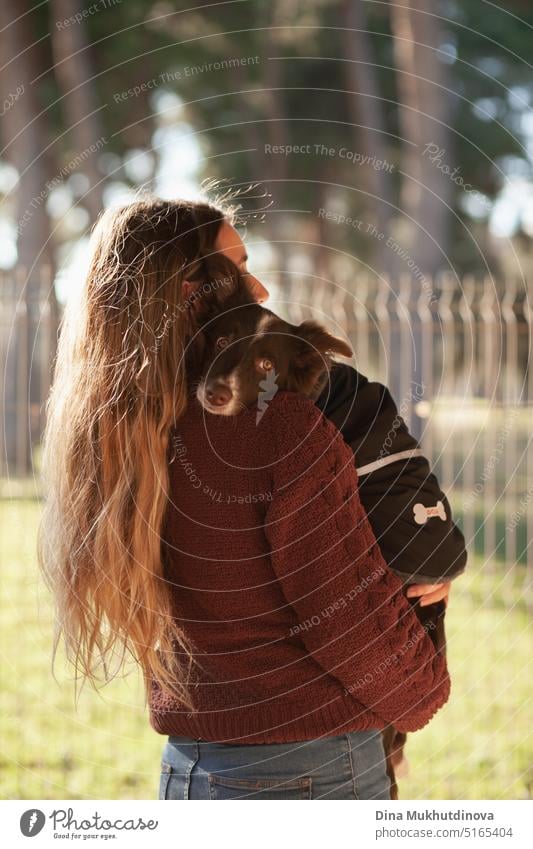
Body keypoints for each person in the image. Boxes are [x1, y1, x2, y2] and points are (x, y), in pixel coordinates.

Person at [37, 193, 465, 800]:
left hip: (191, 768)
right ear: (192, 290)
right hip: (311, 771)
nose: (260, 288)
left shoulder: (122, 432)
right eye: (237, 269)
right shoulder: (277, 429)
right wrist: (424, 688)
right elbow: (347, 622)